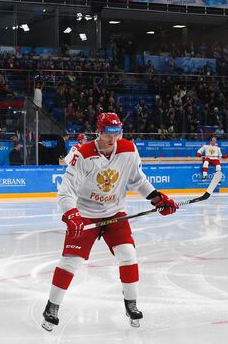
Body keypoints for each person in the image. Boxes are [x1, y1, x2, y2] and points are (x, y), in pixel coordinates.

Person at [41, 113, 179, 331]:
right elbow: (66, 191)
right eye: (108, 135)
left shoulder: (129, 150)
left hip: (115, 213)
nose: (113, 140)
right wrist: (72, 214)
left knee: (128, 254)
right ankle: (51, 306)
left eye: (117, 134)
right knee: (70, 262)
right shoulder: (82, 154)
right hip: (86, 213)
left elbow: (137, 180)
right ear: (98, 132)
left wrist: (156, 198)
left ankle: (131, 304)